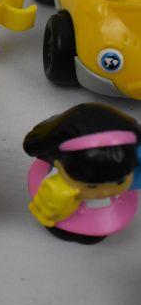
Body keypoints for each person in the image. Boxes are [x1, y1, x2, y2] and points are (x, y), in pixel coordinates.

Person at [23, 103, 141, 245]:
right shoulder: (57, 185)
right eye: (92, 186)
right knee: (64, 225)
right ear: (60, 166)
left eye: (120, 181)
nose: (104, 192)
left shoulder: (127, 167)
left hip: (108, 211)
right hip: (68, 211)